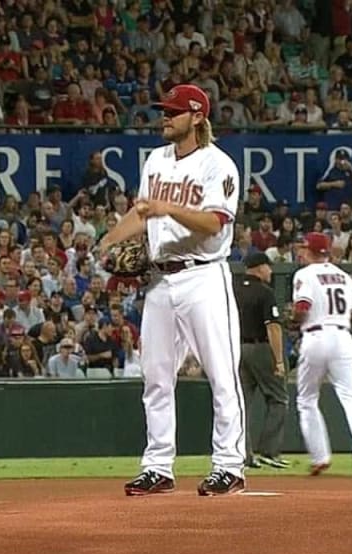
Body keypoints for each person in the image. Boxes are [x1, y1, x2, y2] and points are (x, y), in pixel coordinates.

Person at [99, 83, 246, 497]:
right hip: (161, 278)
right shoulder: (156, 160)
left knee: (221, 374)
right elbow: (142, 213)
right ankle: (158, 465)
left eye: (174, 111)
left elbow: (216, 222)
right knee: (156, 377)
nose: (165, 117)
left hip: (204, 276)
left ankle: (230, 465)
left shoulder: (219, 165)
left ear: (198, 117)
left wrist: (169, 209)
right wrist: (107, 241)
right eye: (165, 111)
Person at [291, 232, 352, 479]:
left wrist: (292, 319)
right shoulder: (344, 276)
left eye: (304, 248)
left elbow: (302, 308)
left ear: (311, 251)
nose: (301, 252)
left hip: (315, 336)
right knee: (350, 395)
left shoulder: (304, 274)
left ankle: (320, 457)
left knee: (306, 399)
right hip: (342, 337)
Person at [234, 252, 290, 469]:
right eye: (267, 266)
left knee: (241, 405)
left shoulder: (233, 290)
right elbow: (273, 327)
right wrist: (278, 360)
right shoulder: (265, 292)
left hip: (238, 349)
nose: (270, 271)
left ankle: (244, 455)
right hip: (261, 348)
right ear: (258, 268)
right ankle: (269, 451)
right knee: (278, 399)